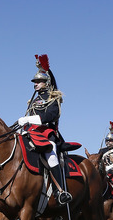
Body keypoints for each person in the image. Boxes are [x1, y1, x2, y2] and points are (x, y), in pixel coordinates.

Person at [15, 54, 71, 204]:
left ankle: (60, 191)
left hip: (47, 133)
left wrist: (28, 119)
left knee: (50, 151)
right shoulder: (34, 100)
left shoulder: (54, 99)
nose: (35, 84)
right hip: (30, 132)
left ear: (46, 82)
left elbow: (50, 117)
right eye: (35, 81)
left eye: (39, 81)